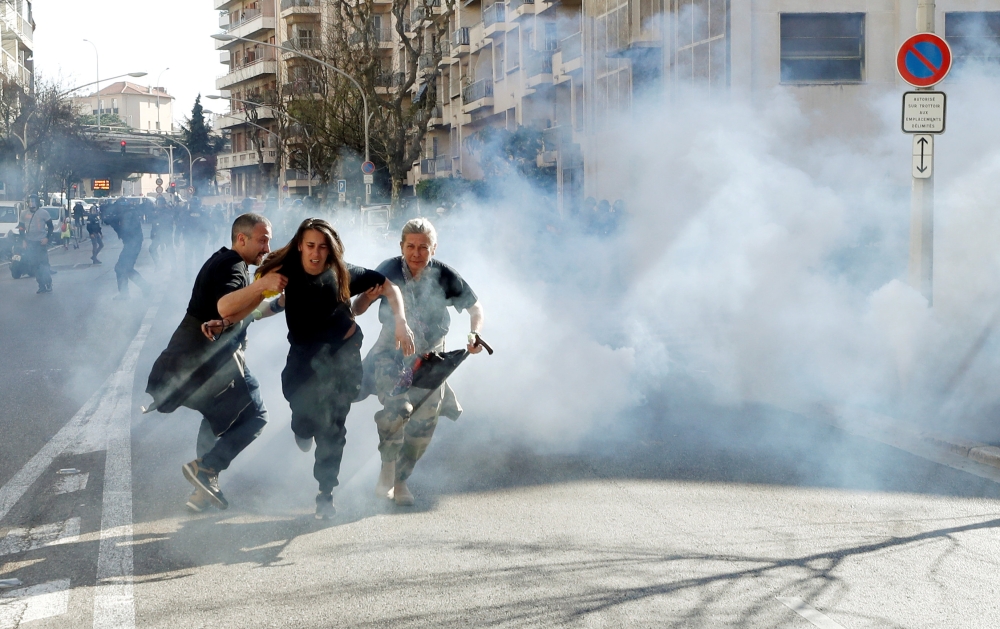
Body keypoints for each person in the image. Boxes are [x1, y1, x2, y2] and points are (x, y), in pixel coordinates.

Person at [253, 218, 415, 519]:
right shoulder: (285, 272)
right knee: (302, 414)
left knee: (333, 429)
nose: (316, 253)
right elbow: (269, 298)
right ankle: (302, 427)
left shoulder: (344, 273)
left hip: (343, 355)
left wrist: (401, 322)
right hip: (303, 358)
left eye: (323, 247)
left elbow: (390, 287)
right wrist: (243, 317)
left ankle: (325, 494)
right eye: (311, 245)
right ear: (300, 245)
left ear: (330, 249)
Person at [146, 213, 285, 512]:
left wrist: (275, 303)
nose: (266, 247)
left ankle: (202, 488)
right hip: (212, 363)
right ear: (241, 239)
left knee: (216, 418)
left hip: (194, 361)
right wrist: (264, 285)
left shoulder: (225, 262)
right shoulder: (232, 267)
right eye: (262, 240)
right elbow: (226, 305)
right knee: (256, 416)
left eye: (269, 240)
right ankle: (206, 469)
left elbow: (241, 311)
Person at [353, 218, 484, 506]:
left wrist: (474, 333)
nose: (416, 253)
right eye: (410, 246)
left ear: (433, 248)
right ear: (401, 247)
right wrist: (367, 296)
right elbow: (357, 308)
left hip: (431, 357)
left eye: (423, 247)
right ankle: (387, 470)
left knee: (424, 424)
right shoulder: (387, 269)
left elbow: (475, 307)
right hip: (392, 351)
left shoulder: (444, 274)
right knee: (397, 409)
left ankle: (401, 480)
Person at [105, 199, 150, 300]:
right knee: (126, 269)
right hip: (133, 244)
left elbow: (125, 231)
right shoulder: (128, 213)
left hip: (132, 244)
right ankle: (143, 288)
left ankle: (127, 294)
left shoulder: (127, 215)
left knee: (121, 268)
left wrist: (114, 224)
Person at [19, 195, 53, 293]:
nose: (31, 203)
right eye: (30, 201)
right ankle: (41, 285)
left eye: (33, 201)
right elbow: (21, 228)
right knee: (35, 265)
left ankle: (48, 283)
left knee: (44, 264)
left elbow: (50, 227)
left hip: (41, 242)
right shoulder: (23, 213)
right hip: (30, 242)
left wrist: (47, 238)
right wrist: (24, 240)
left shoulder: (44, 213)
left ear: (37, 202)